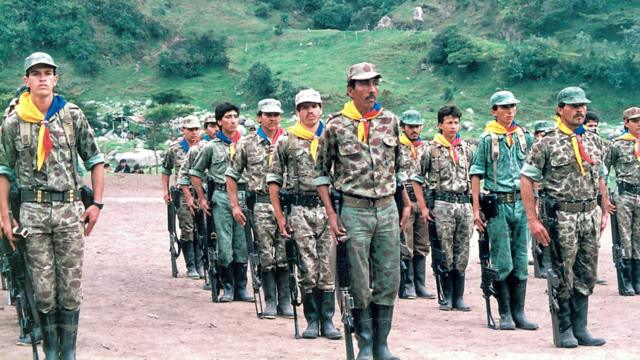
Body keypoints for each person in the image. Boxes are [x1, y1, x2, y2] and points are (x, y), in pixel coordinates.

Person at [0, 51, 105, 359]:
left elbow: (96, 159)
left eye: (48, 72)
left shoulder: (72, 115)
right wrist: (5, 216)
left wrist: (97, 203)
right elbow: (4, 170)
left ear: (56, 79)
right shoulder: (14, 121)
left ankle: (68, 349)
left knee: (70, 282)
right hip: (33, 212)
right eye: (36, 73)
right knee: (43, 285)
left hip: (70, 210)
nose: (42, 77)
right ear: (26, 80)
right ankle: (51, 349)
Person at [313, 62, 410, 360]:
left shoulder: (391, 120)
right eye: (364, 84)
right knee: (357, 279)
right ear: (350, 89)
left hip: (387, 209)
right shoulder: (336, 125)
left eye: (374, 83)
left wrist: (405, 201)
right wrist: (331, 214)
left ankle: (382, 344)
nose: (371, 89)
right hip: (353, 210)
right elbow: (320, 174)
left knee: (389, 277)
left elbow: (400, 167)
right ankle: (365, 344)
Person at [520, 86, 607, 348]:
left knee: (586, 273)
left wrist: (604, 206)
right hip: (562, 216)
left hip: (589, 214)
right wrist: (533, 220)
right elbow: (526, 179)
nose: (580, 110)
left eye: (582, 105)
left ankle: (581, 329)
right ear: (560, 109)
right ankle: (565, 329)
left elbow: (600, 173)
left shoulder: (593, 140)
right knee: (562, 274)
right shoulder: (546, 142)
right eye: (573, 105)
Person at [267, 89, 341, 339]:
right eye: (305, 107)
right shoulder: (286, 140)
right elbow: (274, 180)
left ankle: (328, 320)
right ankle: (312, 320)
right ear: (297, 111)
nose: (311, 111)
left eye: (315, 106)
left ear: (321, 108)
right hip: (300, 209)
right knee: (308, 267)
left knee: (328, 267)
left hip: (328, 208)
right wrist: (279, 216)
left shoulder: (332, 136)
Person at [470, 91, 538, 330]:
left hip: (521, 203)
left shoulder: (524, 137)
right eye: (504, 107)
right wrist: (476, 210)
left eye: (512, 107)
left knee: (521, 259)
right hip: (497, 205)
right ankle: (505, 313)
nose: (510, 111)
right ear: (494, 111)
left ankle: (519, 313)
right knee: (502, 259)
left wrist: (535, 203)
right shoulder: (487, 139)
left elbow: (532, 173)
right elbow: (476, 174)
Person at [226, 98, 293, 318]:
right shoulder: (247, 143)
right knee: (266, 253)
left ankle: (285, 302)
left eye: (276, 114)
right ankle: (271, 302)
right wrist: (235, 205)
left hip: (287, 205)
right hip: (262, 204)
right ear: (259, 117)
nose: (272, 118)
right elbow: (232, 175)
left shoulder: (290, 140)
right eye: (268, 115)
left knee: (285, 254)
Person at [412, 105, 474, 311]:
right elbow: (416, 179)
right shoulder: (430, 150)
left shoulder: (466, 149)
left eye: (456, 122)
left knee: (463, 250)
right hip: (442, 203)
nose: (453, 126)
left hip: (464, 204)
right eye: (449, 122)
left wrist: (476, 207)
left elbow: (474, 178)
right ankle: (445, 295)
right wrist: (423, 207)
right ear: (440, 125)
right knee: (444, 251)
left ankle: (459, 296)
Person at [190, 102, 253, 302]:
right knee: (224, 243)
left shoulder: (246, 144)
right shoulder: (210, 147)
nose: (233, 120)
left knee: (242, 243)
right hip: (221, 196)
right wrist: (201, 198)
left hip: (243, 195)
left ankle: (242, 288)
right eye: (228, 117)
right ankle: (228, 287)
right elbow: (195, 172)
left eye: (235, 116)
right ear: (219, 121)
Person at [397, 109, 436, 300]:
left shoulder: (427, 148)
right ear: (402, 127)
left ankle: (421, 283)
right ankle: (407, 284)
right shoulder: (396, 147)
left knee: (422, 243)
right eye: (410, 126)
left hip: (422, 199)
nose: (414, 130)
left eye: (417, 126)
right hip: (404, 199)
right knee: (406, 242)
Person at [605, 107, 640, 295]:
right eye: (635, 121)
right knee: (625, 238)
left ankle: (638, 279)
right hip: (625, 195)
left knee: (639, 239)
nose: (639, 124)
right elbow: (604, 170)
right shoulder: (617, 144)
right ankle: (625, 280)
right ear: (626, 123)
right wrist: (604, 198)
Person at [161, 115, 201, 279]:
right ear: (183, 130)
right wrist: (166, 191)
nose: (193, 133)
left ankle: (201, 264)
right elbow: (165, 170)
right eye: (190, 129)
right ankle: (191, 265)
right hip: (183, 195)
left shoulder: (205, 146)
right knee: (187, 228)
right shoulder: (175, 148)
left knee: (202, 229)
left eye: (196, 129)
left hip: (201, 193)